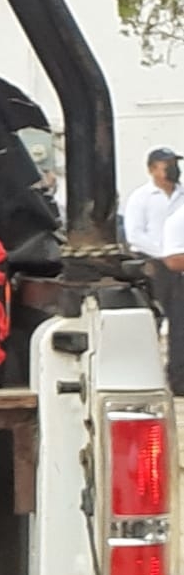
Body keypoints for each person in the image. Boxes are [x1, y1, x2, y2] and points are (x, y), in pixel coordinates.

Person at [124, 148, 184, 394]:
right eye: (165, 164)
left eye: (173, 163)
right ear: (151, 169)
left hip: (178, 262)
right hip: (153, 262)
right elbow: (135, 234)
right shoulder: (141, 197)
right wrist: (165, 253)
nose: (171, 168)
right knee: (155, 317)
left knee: (179, 322)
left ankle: (178, 375)